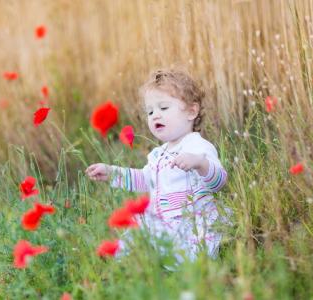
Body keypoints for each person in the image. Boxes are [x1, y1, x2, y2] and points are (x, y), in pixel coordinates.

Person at [85, 68, 228, 262]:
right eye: (150, 111)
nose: (155, 115)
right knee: (138, 235)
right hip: (162, 222)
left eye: (164, 108)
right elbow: (145, 180)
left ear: (191, 111)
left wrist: (200, 163)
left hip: (190, 222)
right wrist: (112, 173)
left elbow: (219, 181)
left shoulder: (197, 146)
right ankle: (125, 262)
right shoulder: (158, 154)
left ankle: (180, 267)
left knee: (188, 256)